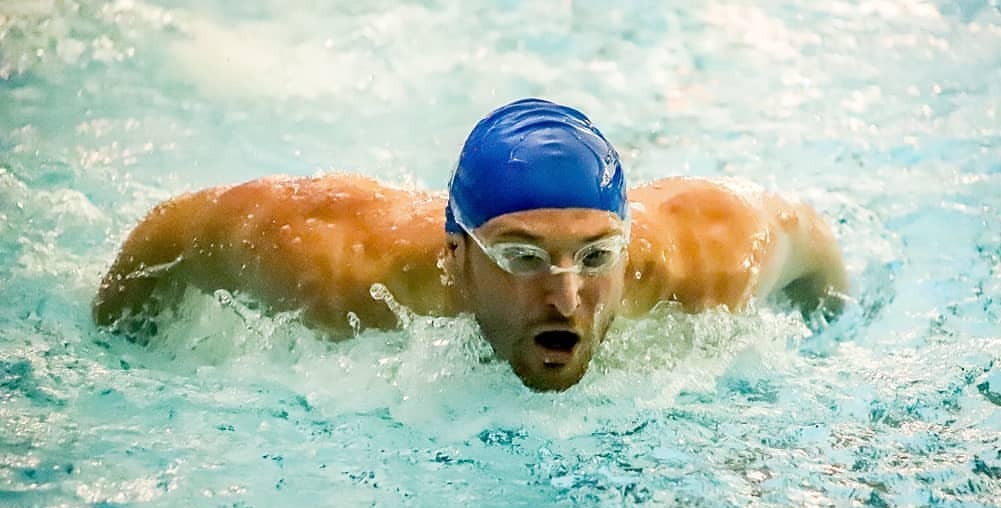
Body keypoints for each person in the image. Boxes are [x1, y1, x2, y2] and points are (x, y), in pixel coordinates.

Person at [94, 98, 847, 391]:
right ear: (456, 255)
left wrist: (833, 334)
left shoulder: (704, 263)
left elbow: (812, 243)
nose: (565, 295)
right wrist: (113, 352)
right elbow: (176, 234)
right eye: (521, 256)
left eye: (594, 256)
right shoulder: (339, 270)